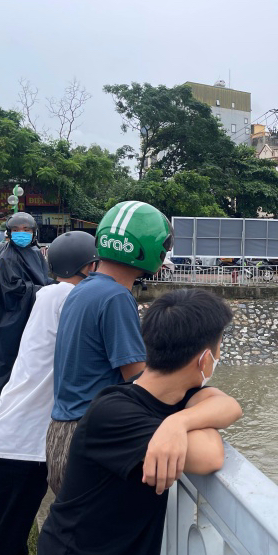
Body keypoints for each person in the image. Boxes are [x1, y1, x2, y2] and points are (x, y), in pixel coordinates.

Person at [35, 289, 242, 555]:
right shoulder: (113, 413)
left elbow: (230, 406)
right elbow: (210, 455)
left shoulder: (172, 396)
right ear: (205, 360)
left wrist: (179, 422)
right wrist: (179, 422)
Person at [0, 232, 100, 555]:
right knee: (5, 550)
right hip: (21, 451)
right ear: (89, 266)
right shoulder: (70, 297)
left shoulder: (46, 294)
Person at [46, 201, 173, 494]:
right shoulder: (115, 297)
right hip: (92, 437)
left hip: (62, 432)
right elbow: (138, 379)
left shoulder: (84, 289)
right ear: (146, 247)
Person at [0, 213, 50, 405]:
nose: (21, 234)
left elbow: (42, 277)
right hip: (9, 315)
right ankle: (0, 406)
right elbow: (15, 289)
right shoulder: (7, 256)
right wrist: (45, 291)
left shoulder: (35, 252)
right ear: (9, 233)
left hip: (28, 313)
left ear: (34, 232)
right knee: (6, 360)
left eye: (26, 230)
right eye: (16, 230)